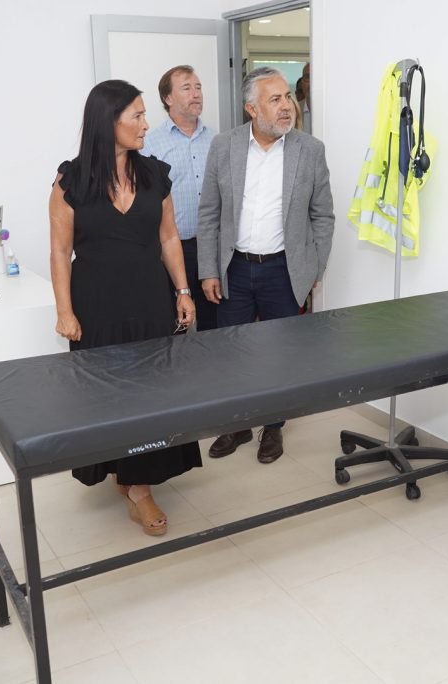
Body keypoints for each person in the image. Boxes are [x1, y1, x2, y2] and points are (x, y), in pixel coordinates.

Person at [49, 79, 201, 536]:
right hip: (95, 306)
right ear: (107, 122)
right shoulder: (71, 181)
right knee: (107, 396)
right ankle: (126, 476)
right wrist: (64, 311)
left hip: (149, 300)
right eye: (136, 115)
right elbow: (60, 251)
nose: (145, 123)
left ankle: (139, 486)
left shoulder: (155, 174)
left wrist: (183, 291)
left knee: (152, 394)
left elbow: (169, 238)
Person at [196, 66, 335, 464]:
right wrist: (209, 270)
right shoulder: (224, 146)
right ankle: (237, 424)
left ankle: (273, 427)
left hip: (284, 271)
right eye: (275, 99)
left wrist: (314, 268)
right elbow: (209, 213)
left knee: (281, 355)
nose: (286, 105)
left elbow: (323, 216)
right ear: (252, 109)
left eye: (288, 96)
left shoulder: (310, 150)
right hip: (235, 269)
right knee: (233, 353)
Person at [140, 65, 218, 331]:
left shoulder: (217, 140)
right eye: (186, 88)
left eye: (198, 87)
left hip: (211, 248)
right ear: (168, 98)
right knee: (175, 325)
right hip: (170, 250)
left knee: (214, 326)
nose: (196, 94)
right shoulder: (149, 145)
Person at [297, 63, 311, 134]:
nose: (312, 83)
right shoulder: (294, 111)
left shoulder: (334, 110)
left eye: (317, 77)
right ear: (302, 83)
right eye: (308, 77)